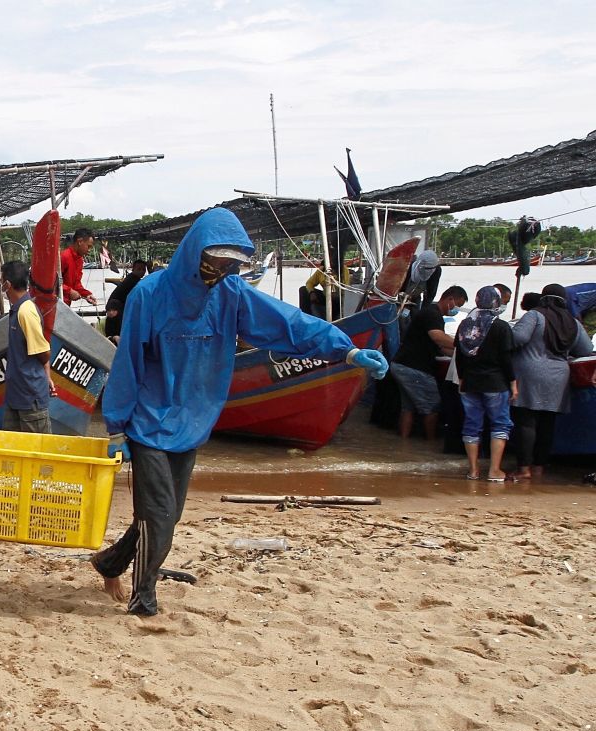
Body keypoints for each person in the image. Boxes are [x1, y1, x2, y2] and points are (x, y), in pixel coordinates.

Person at [92, 208, 389, 616]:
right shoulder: (150, 294)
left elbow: (289, 324)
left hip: (194, 419)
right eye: (215, 261)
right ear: (195, 253)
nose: (222, 270)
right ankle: (144, 600)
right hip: (147, 422)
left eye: (231, 263)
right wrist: (117, 429)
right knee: (158, 518)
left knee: (166, 515)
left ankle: (109, 563)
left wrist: (347, 349)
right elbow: (128, 364)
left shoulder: (232, 293)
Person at [508, 283, 594, 481]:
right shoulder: (572, 322)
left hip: (529, 373)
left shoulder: (535, 315)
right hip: (558, 377)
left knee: (526, 423)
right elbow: (586, 349)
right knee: (547, 424)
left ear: (543, 297)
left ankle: (523, 469)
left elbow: (518, 338)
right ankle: (539, 468)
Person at [454, 287, 516, 481]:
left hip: (470, 382)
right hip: (496, 383)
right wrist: (513, 382)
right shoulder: (501, 327)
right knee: (500, 425)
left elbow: (460, 356)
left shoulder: (466, 324)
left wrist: (462, 378)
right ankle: (494, 470)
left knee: (472, 425)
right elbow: (506, 358)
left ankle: (473, 470)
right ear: (496, 302)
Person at [390, 285, 468, 440]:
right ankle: (431, 443)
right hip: (414, 367)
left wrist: (460, 353)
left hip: (402, 364)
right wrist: (464, 345)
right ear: (449, 299)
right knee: (432, 406)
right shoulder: (432, 314)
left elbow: (441, 347)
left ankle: (403, 443)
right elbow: (438, 337)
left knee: (408, 408)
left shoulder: (430, 313)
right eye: (457, 305)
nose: (456, 309)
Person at [0, 259, 55, 433]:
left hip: (30, 396)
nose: (1, 286)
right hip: (16, 395)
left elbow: (43, 352)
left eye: (2, 281)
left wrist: (46, 377)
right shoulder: (17, 310)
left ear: (7, 284)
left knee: (38, 451)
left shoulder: (26, 311)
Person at [104, 259, 147, 342]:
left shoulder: (132, 278)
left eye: (143, 270)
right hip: (115, 307)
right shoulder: (134, 280)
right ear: (133, 269)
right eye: (139, 269)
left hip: (117, 306)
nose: (141, 272)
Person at [60, 228, 98, 306]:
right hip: (55, 304)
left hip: (65, 305)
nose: (89, 250)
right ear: (80, 242)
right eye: (89, 246)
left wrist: (87, 294)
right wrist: (69, 291)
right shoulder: (64, 257)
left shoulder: (79, 260)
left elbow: (76, 284)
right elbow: (52, 282)